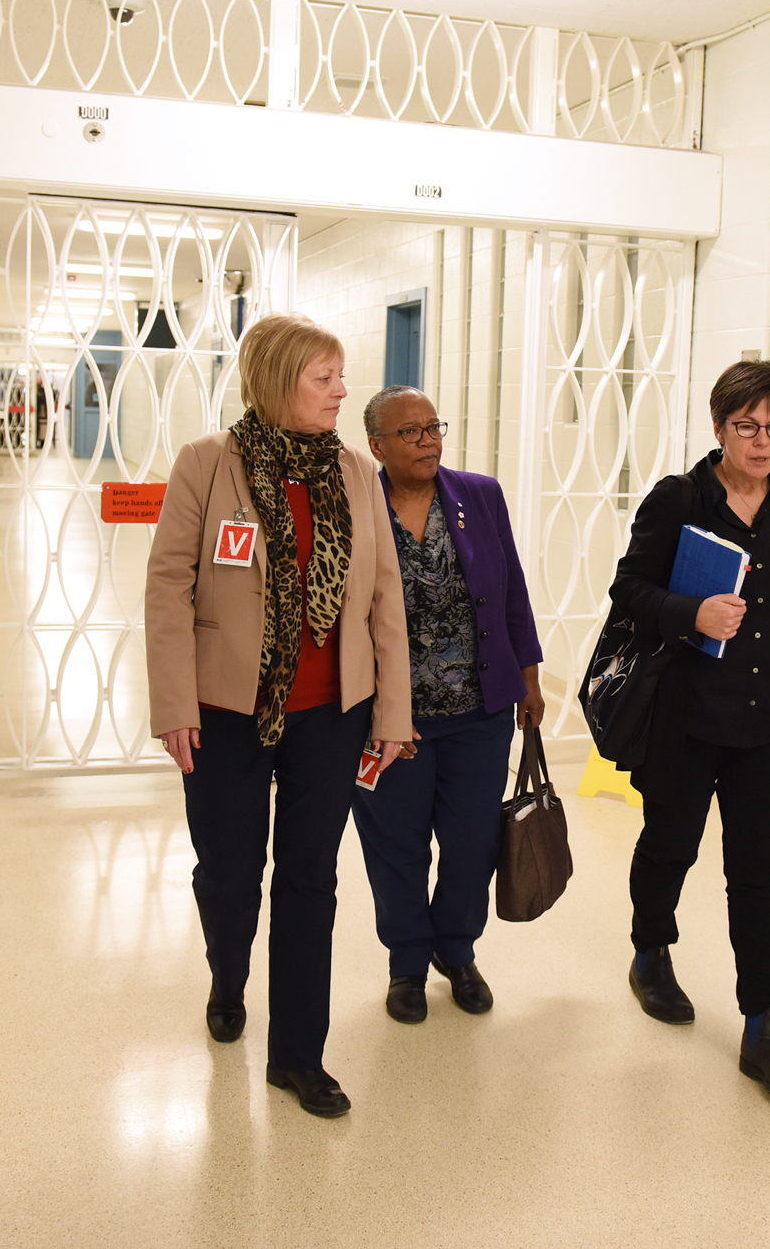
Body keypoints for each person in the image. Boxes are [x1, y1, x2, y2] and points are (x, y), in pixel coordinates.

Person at [145, 313, 414, 1119]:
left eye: (341, 376)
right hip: (226, 709)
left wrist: (391, 713)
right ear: (276, 381)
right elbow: (167, 587)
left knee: (311, 879)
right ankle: (228, 977)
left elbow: (384, 597)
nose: (341, 392)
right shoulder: (207, 464)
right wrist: (172, 704)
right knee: (229, 875)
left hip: (331, 712)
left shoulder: (357, 473)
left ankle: (298, 1055)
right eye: (323, 378)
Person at [607, 359, 770, 1099]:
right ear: (718, 427)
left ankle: (762, 1025)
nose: (762, 440)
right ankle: (650, 949)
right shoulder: (678, 501)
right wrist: (692, 613)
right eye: (747, 425)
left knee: (759, 876)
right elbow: (628, 590)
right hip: (685, 715)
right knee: (669, 845)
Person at [353, 386, 545, 1025]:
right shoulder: (357, 505)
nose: (428, 440)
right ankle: (407, 962)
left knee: (472, 842)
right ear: (377, 445)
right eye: (410, 433)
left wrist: (530, 680)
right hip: (390, 719)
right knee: (396, 843)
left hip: (478, 711)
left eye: (433, 427)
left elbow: (511, 589)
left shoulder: (479, 496)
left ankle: (457, 951)